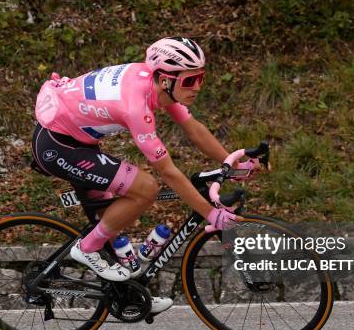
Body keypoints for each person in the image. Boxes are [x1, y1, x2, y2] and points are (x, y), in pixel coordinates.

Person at [31, 37, 260, 314]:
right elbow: (169, 172)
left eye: (200, 78)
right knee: (145, 188)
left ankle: (129, 297)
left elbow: (193, 128)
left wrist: (231, 165)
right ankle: (87, 248)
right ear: (165, 79)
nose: (197, 87)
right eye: (190, 81)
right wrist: (212, 215)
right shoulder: (136, 106)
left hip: (77, 140)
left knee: (113, 216)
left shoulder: (157, 85)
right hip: (59, 147)